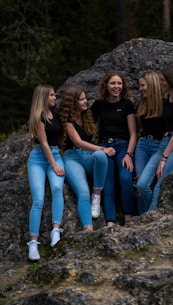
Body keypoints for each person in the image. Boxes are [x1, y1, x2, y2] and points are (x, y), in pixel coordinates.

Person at [136, 64, 173, 211]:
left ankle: (149, 222)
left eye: (162, 80)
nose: (160, 83)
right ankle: (150, 216)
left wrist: (164, 158)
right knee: (142, 185)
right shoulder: (168, 99)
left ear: (171, 81)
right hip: (164, 143)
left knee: (159, 187)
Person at [58, 85, 115, 231]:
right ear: (73, 103)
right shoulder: (68, 121)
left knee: (101, 156)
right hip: (72, 158)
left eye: (85, 98)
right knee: (83, 192)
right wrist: (103, 148)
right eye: (82, 99)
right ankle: (88, 228)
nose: (85, 102)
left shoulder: (87, 116)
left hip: (88, 157)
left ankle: (97, 195)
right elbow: (78, 142)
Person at [91, 70, 137, 226]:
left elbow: (133, 134)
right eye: (112, 83)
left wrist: (129, 154)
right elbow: (89, 126)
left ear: (123, 86)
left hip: (123, 145)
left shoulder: (127, 105)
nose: (116, 86)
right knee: (108, 183)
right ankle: (110, 220)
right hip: (104, 146)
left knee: (125, 178)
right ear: (106, 85)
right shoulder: (98, 105)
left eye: (119, 83)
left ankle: (128, 216)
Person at [27, 84, 65, 261]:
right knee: (38, 199)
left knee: (57, 189)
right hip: (38, 159)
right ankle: (33, 243)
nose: (55, 97)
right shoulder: (38, 117)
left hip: (56, 154)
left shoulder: (55, 115)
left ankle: (55, 230)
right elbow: (43, 144)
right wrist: (54, 165)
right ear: (43, 97)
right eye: (51, 95)